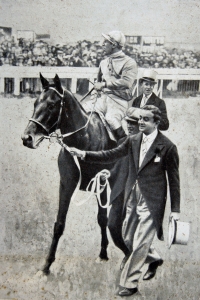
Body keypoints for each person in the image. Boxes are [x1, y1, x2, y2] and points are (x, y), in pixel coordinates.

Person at [69, 105, 180, 297]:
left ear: (156, 122)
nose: (140, 122)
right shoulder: (132, 141)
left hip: (152, 201)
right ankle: (154, 257)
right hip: (132, 196)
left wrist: (175, 210)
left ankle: (129, 283)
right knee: (127, 237)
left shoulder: (168, 147)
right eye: (140, 119)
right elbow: (110, 155)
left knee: (139, 242)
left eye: (145, 119)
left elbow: (174, 181)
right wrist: (84, 154)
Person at [83, 30, 137, 140]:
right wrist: (95, 92)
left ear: (113, 45)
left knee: (111, 119)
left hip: (118, 101)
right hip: (102, 99)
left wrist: (104, 85)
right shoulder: (103, 62)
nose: (102, 44)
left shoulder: (129, 62)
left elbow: (126, 83)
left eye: (105, 42)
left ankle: (125, 147)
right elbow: (98, 82)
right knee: (82, 111)